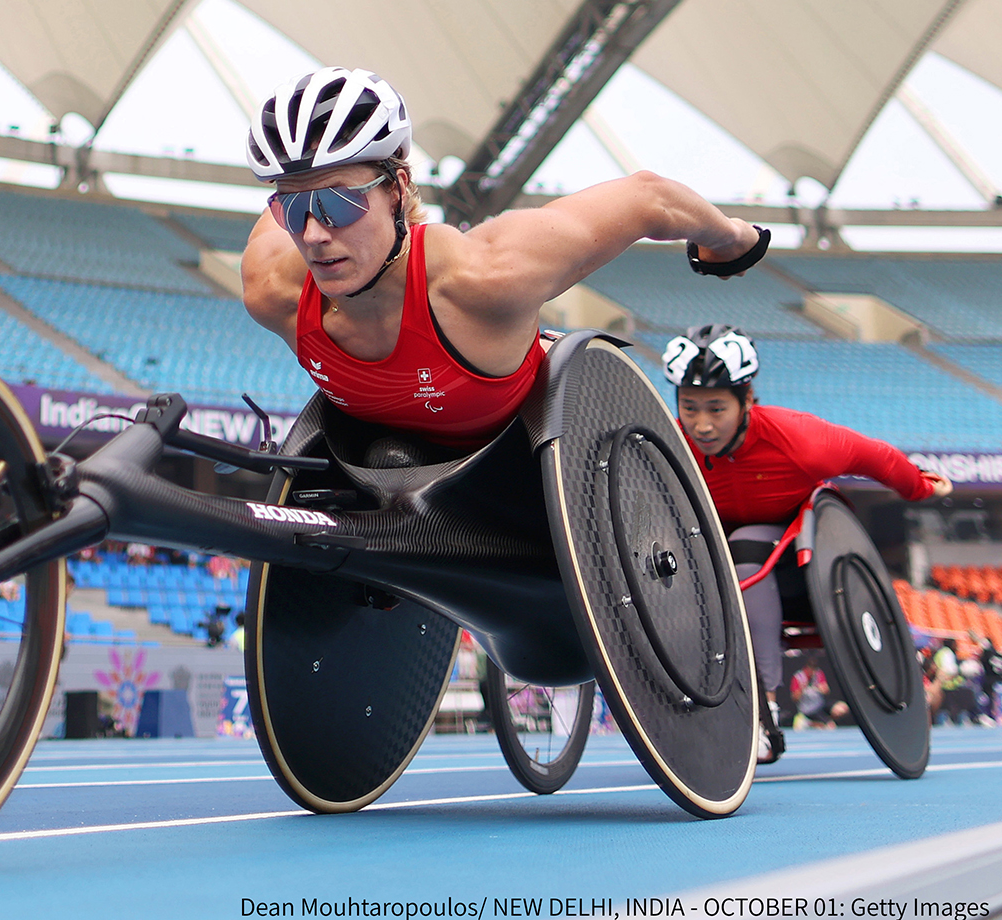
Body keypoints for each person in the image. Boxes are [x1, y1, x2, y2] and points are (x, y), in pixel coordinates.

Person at [241, 66, 770, 454]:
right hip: (381, 474)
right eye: (291, 207)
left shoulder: (487, 278)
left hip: (528, 459)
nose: (312, 234)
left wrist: (730, 238)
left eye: (338, 202)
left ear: (399, 188)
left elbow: (647, 198)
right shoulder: (273, 288)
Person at [661, 324, 953, 762]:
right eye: (690, 408)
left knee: (746, 547)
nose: (702, 425)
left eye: (716, 409)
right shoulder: (668, 441)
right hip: (707, 540)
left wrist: (920, 488)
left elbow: (874, 457)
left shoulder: (799, 439)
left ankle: (765, 709)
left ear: (747, 400)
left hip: (789, 548)